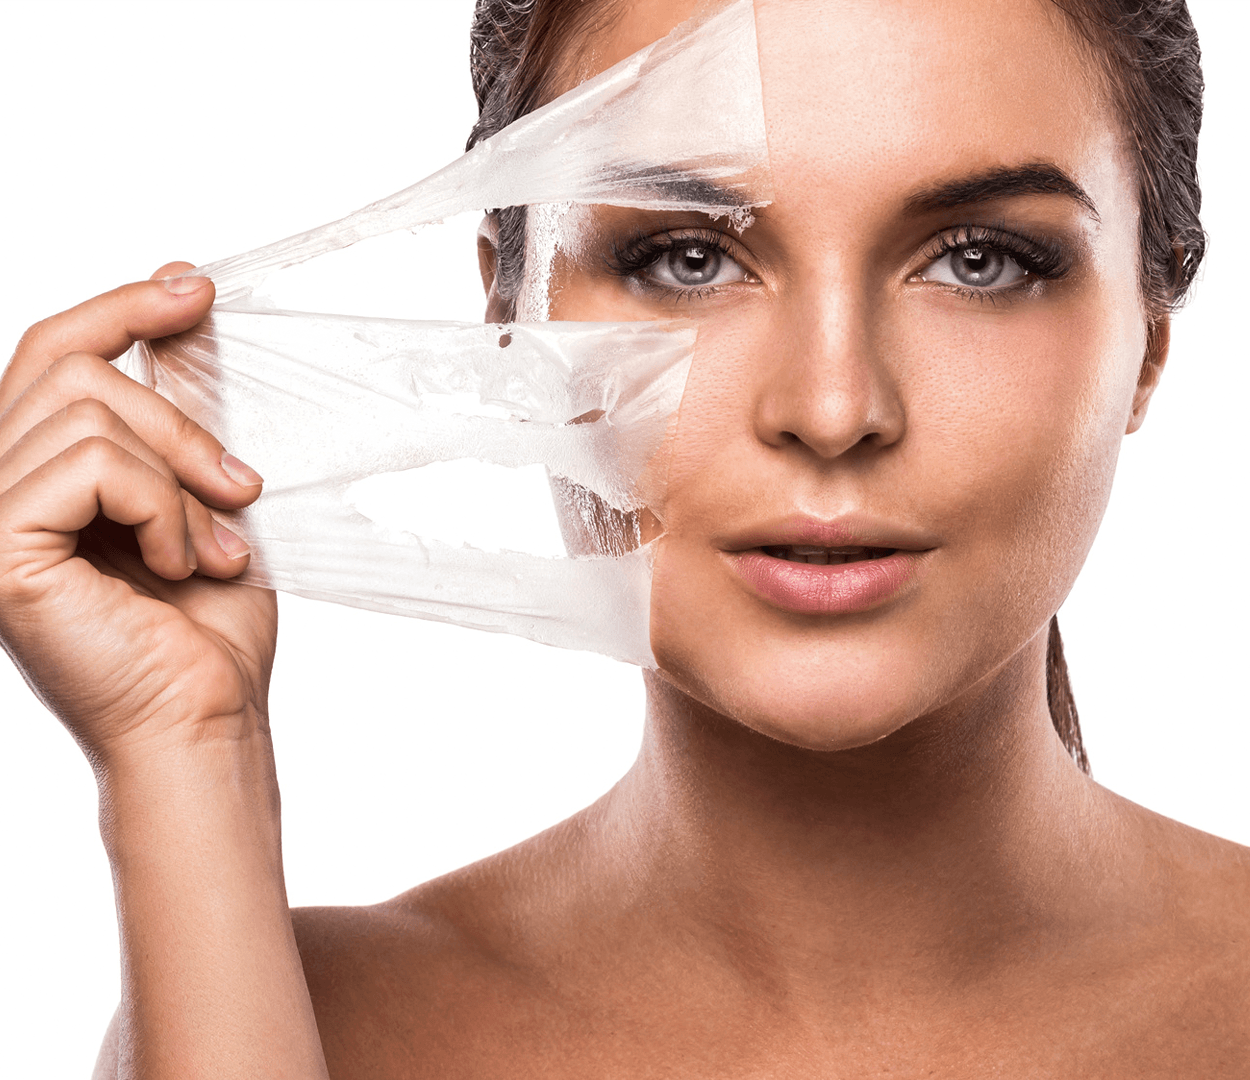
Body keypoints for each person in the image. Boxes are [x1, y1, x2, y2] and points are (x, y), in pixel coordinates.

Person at [1, 0, 1246, 1076]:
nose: (831, 409)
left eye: (977, 262)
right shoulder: (307, 1024)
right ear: (511, 316)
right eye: (687, 259)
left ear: (1148, 336)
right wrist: (185, 758)